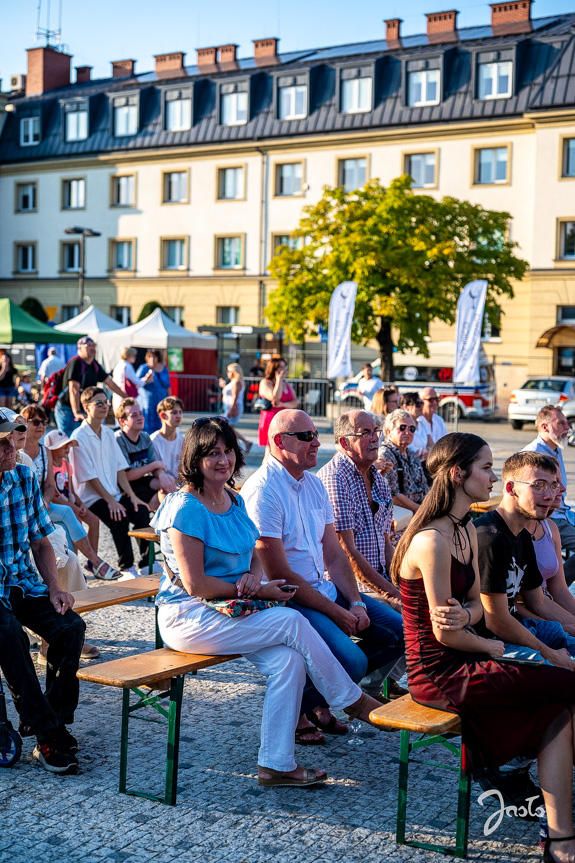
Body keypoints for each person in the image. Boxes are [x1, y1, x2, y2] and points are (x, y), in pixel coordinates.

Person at [152, 416, 383, 787]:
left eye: (228, 451)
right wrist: (258, 590)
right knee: (292, 623)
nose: (223, 460)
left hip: (231, 610)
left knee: (288, 662)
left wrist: (254, 575)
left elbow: (255, 552)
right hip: (190, 616)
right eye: (212, 453)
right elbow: (195, 584)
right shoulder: (185, 507)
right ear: (194, 459)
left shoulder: (233, 498)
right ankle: (350, 700)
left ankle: (275, 764)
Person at [391, 432, 575, 863]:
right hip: (438, 674)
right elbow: (446, 634)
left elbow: (475, 608)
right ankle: (560, 838)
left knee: (561, 700)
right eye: (487, 468)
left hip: (467, 654)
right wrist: (489, 646)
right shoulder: (433, 540)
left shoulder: (464, 530)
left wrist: (471, 621)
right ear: (458, 474)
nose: (493, 477)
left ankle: (560, 838)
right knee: (564, 684)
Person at [241, 409, 405, 745]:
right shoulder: (263, 490)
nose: (317, 442)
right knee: (353, 661)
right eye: (306, 437)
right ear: (278, 441)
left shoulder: (313, 484)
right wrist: (338, 612)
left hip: (323, 589)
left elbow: (334, 553)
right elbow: (280, 575)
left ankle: (310, 703)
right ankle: (307, 707)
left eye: (316, 434)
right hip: (289, 601)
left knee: (399, 633)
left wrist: (356, 602)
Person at [0, 409, 86, 774]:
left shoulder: (22, 477)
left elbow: (41, 542)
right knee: (9, 635)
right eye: (3, 443)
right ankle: (47, 733)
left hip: (20, 581)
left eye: (12, 441)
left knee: (71, 627)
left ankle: (53, 719)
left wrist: (55, 588)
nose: (11, 448)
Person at [317, 409, 406, 699]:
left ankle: (381, 679)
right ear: (344, 442)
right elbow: (347, 553)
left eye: (376, 431)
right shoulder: (336, 478)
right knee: (406, 621)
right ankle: (351, 684)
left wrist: (401, 583)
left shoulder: (377, 479)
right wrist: (392, 592)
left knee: (428, 603)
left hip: (375, 578)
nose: (374, 438)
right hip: (344, 583)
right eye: (364, 433)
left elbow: (386, 542)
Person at [476, 451, 575, 667]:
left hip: (522, 628)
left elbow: (538, 601)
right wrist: (550, 654)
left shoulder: (521, 533)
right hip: (489, 644)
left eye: (552, 485)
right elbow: (497, 621)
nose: (549, 495)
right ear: (511, 488)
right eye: (538, 485)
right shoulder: (490, 538)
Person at [21, 404, 119, 581]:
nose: (42, 426)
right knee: (67, 513)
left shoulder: (45, 452)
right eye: (36, 422)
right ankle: (95, 562)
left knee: (68, 525)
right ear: (23, 424)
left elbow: (51, 486)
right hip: (23, 509)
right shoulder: (17, 453)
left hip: (43, 505)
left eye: (44, 421)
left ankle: (73, 574)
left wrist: (45, 500)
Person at [70, 387, 150, 578]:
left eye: (106, 402)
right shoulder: (78, 437)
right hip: (90, 498)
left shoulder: (108, 433)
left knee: (141, 511)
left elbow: (119, 469)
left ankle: (147, 564)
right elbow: (90, 478)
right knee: (119, 517)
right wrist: (111, 502)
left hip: (112, 494)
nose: (105, 406)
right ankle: (126, 566)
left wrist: (132, 496)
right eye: (99, 403)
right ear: (86, 407)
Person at [44, 428, 111, 577]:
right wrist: (74, 507)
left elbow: (71, 491)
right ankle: (77, 568)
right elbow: (53, 495)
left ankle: (92, 563)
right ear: (52, 449)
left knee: (94, 520)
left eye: (68, 445)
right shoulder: (49, 467)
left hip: (70, 502)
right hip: (61, 505)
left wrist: (80, 504)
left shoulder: (67, 465)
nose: (68, 448)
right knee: (76, 524)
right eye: (63, 446)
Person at [523, 406, 575, 567]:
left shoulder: (555, 448)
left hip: (564, 514)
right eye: (561, 423)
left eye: (567, 423)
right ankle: (558, 586)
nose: (568, 428)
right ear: (545, 427)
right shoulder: (532, 455)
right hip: (549, 518)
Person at [525, 470, 575, 636]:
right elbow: (514, 608)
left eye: (556, 483)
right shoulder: (512, 532)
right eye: (553, 484)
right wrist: (564, 628)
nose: (561, 488)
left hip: (548, 609)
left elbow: (559, 589)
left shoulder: (549, 527)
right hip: (528, 622)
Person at [56, 337, 127, 437]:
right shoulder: (76, 363)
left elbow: (109, 382)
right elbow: (74, 389)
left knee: (83, 439)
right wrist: (76, 412)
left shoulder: (94, 365)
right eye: (88, 346)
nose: (92, 348)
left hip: (83, 410)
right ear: (80, 349)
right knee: (68, 441)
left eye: (94, 345)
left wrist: (125, 397)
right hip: (68, 409)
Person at [114, 397, 173, 512]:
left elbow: (156, 465)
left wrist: (162, 476)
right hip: (124, 486)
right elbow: (126, 476)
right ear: (122, 421)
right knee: (157, 498)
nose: (140, 418)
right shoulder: (118, 439)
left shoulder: (145, 437)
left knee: (168, 482)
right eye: (134, 415)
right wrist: (154, 465)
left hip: (141, 480)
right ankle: (163, 520)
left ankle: (173, 521)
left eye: (141, 414)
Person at [379, 409, 429, 514]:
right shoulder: (385, 454)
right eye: (402, 428)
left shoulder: (412, 454)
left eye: (412, 428)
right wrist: (421, 511)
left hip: (420, 510)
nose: (408, 432)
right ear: (388, 431)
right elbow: (393, 495)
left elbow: (425, 487)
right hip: (403, 515)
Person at [257, 357, 298, 455]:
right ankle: (266, 470)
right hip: (272, 419)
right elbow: (275, 397)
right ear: (274, 369)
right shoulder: (266, 382)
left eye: (284, 367)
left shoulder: (286, 384)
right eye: (280, 367)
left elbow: (295, 402)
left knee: (284, 451)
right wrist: (278, 380)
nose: (284, 370)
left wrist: (284, 404)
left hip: (285, 420)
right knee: (270, 450)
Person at [150, 396, 185, 503]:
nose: (179, 416)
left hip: (181, 485)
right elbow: (154, 471)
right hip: (161, 484)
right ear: (163, 416)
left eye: (180, 412)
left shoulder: (182, 440)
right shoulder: (153, 441)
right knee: (164, 493)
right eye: (174, 412)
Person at [136, 349, 171, 434]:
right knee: (148, 423)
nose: (152, 359)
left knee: (161, 420)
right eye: (150, 357)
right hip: (148, 403)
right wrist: (146, 380)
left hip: (161, 401)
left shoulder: (164, 369)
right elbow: (136, 383)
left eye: (154, 357)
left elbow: (168, 386)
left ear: (158, 358)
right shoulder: (144, 368)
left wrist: (170, 400)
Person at [220, 363, 252, 452]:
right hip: (231, 406)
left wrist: (231, 409)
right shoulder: (235, 382)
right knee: (228, 428)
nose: (227, 373)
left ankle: (239, 444)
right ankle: (243, 443)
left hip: (234, 407)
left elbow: (235, 397)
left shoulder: (237, 382)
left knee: (227, 428)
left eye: (229, 371)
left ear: (234, 372)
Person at [111, 347, 150, 415]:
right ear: (129, 356)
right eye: (134, 356)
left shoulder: (118, 365)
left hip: (117, 396)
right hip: (125, 396)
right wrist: (146, 380)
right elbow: (137, 382)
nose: (135, 358)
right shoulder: (127, 366)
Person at [400, 392, 430, 460]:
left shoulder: (422, 422)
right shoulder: (401, 426)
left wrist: (428, 452)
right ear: (406, 407)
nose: (422, 407)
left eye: (422, 403)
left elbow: (431, 444)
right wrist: (419, 452)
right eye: (418, 404)